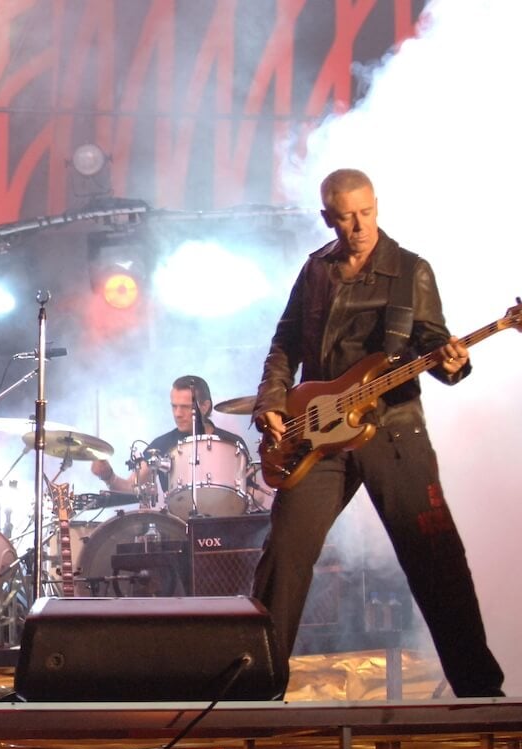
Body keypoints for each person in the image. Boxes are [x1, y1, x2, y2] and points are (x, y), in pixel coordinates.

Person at [251, 168, 503, 698]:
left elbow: (434, 346)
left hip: (392, 431)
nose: (360, 226)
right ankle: (256, 691)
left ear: (377, 207)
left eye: (366, 212)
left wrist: (453, 363)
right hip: (318, 436)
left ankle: (481, 693)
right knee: (284, 556)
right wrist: (273, 399)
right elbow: (285, 341)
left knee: (435, 560)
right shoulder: (316, 269)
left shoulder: (411, 270)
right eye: (347, 216)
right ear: (328, 217)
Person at [91, 374, 248, 507]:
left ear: (205, 406)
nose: (178, 414)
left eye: (185, 407)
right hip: (177, 528)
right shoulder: (161, 445)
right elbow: (133, 487)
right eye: (174, 406)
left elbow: (253, 495)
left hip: (226, 525)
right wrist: (109, 477)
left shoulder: (232, 443)